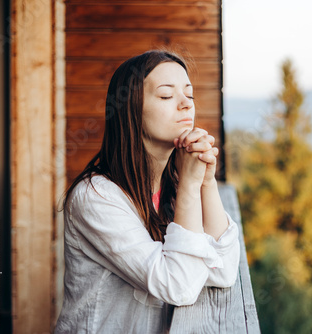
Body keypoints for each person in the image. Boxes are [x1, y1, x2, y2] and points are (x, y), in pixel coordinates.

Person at [54, 50, 240, 333]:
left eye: (189, 95)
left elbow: (224, 270)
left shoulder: (173, 184)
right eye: (166, 96)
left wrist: (206, 182)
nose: (185, 105)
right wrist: (191, 186)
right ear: (131, 109)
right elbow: (178, 286)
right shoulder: (95, 197)